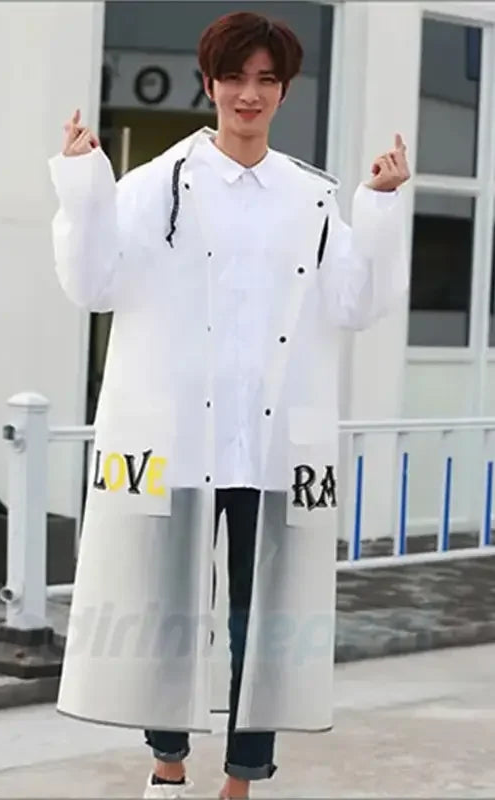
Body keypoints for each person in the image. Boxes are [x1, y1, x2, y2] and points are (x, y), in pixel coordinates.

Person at [49, 11, 410, 800]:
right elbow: (94, 284)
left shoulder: (310, 197)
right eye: (235, 78)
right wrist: (83, 187)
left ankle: (243, 779)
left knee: (265, 621)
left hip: (271, 450)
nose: (249, 94)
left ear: (284, 91)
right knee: (166, 610)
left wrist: (378, 204)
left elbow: (355, 303)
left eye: (265, 79)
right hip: (176, 440)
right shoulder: (156, 186)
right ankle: (167, 764)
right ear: (208, 84)